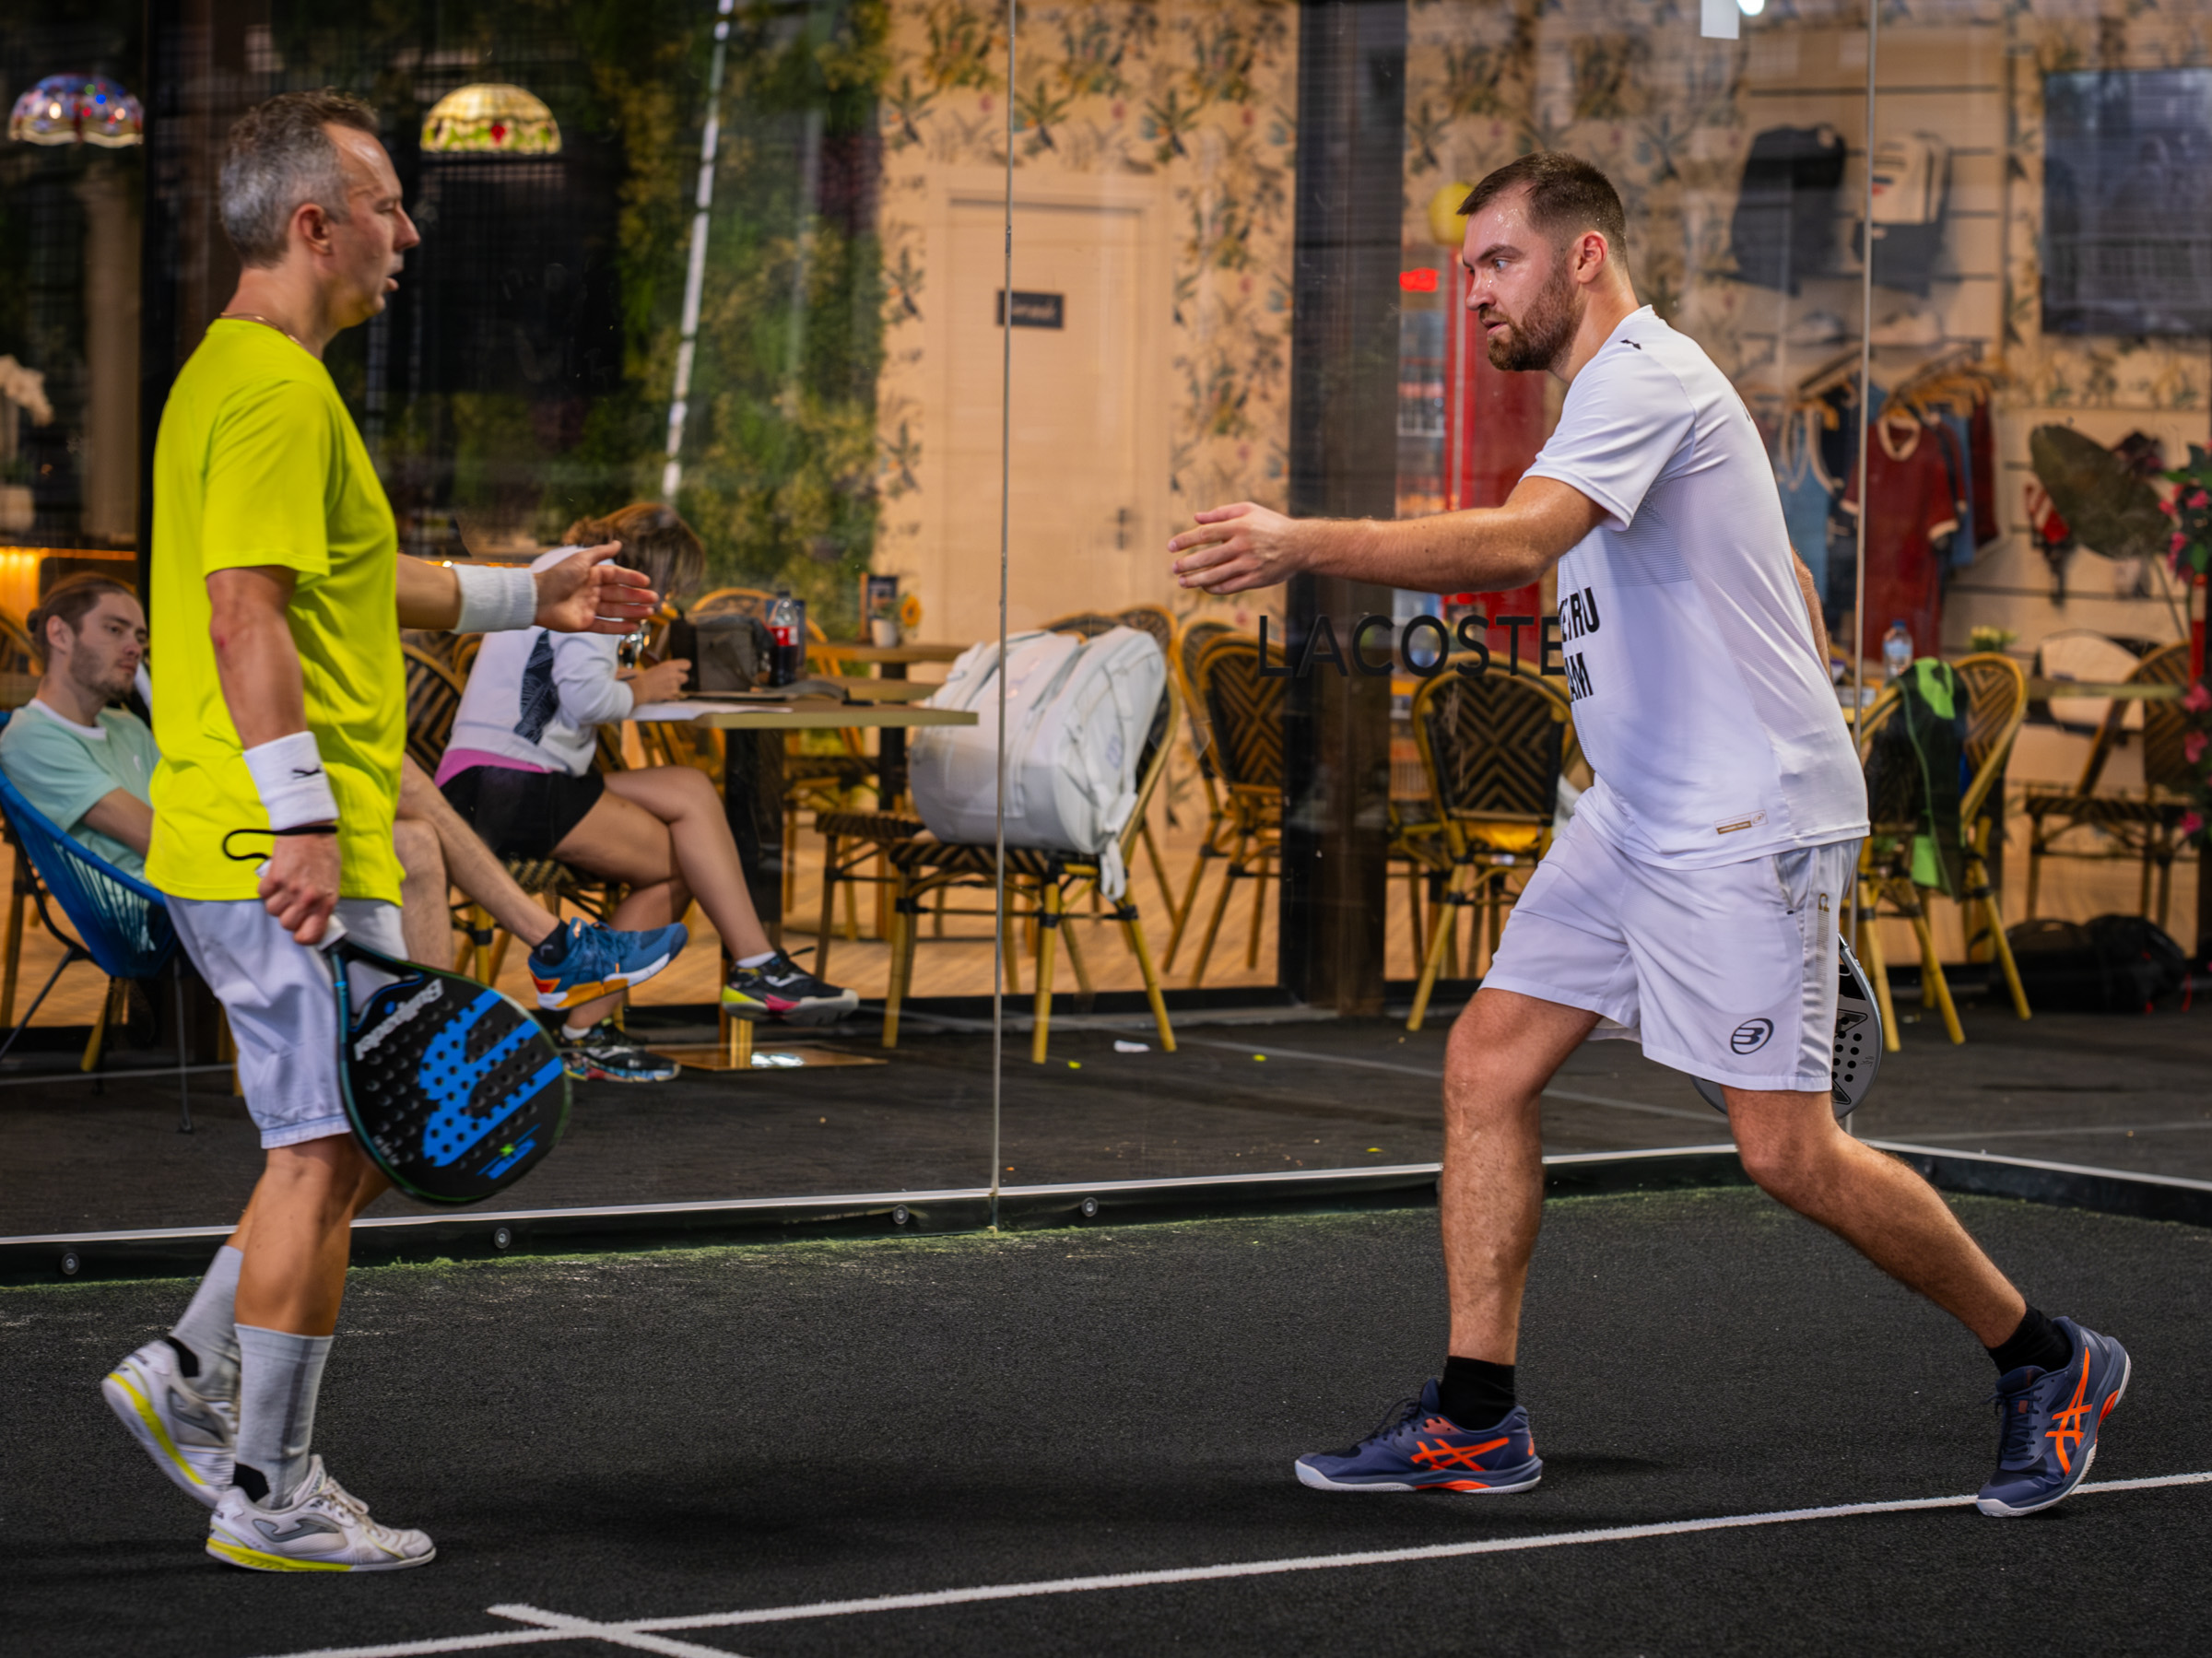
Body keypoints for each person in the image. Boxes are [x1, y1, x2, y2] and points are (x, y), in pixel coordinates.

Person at [1168, 152, 2126, 1520]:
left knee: (1788, 1153)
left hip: (1743, 826)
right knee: (1487, 1061)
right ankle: (1475, 1417)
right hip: (1635, 814)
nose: (1477, 293)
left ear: (1584, 259)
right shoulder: (1624, 397)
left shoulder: (1646, 376)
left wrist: (1298, 538)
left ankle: (2051, 1358)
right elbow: (1775, 566)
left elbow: (1517, 546)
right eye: (1473, 267)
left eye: (1498, 262)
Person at [99, 89, 663, 1575]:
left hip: (265, 834)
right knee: (324, 1151)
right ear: (313, 224)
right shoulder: (276, 390)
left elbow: (352, 573)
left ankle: (189, 1374)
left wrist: (522, 593)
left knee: (333, 1147)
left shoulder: (250, 379)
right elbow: (245, 613)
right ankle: (269, 1489)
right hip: (279, 847)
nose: (408, 233)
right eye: (389, 205)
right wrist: (297, 826)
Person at [0, 573, 684, 1014]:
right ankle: (545, 951)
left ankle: (438, 1024)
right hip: (171, 897)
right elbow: (160, 833)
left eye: (141, 634)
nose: (134, 647)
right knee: (395, 781)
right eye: (115, 630)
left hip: (223, 854)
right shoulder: (31, 738)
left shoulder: (123, 724)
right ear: (58, 634)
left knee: (413, 831)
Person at [439, 500, 857, 1081]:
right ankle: (590, 1035)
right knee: (684, 865)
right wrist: (649, 686)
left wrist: (634, 681)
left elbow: (566, 685)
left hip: (494, 778)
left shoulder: (564, 567)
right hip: (512, 786)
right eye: (669, 587)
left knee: (687, 789)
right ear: (653, 568)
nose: (662, 605)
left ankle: (756, 965)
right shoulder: (594, 582)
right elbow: (587, 700)